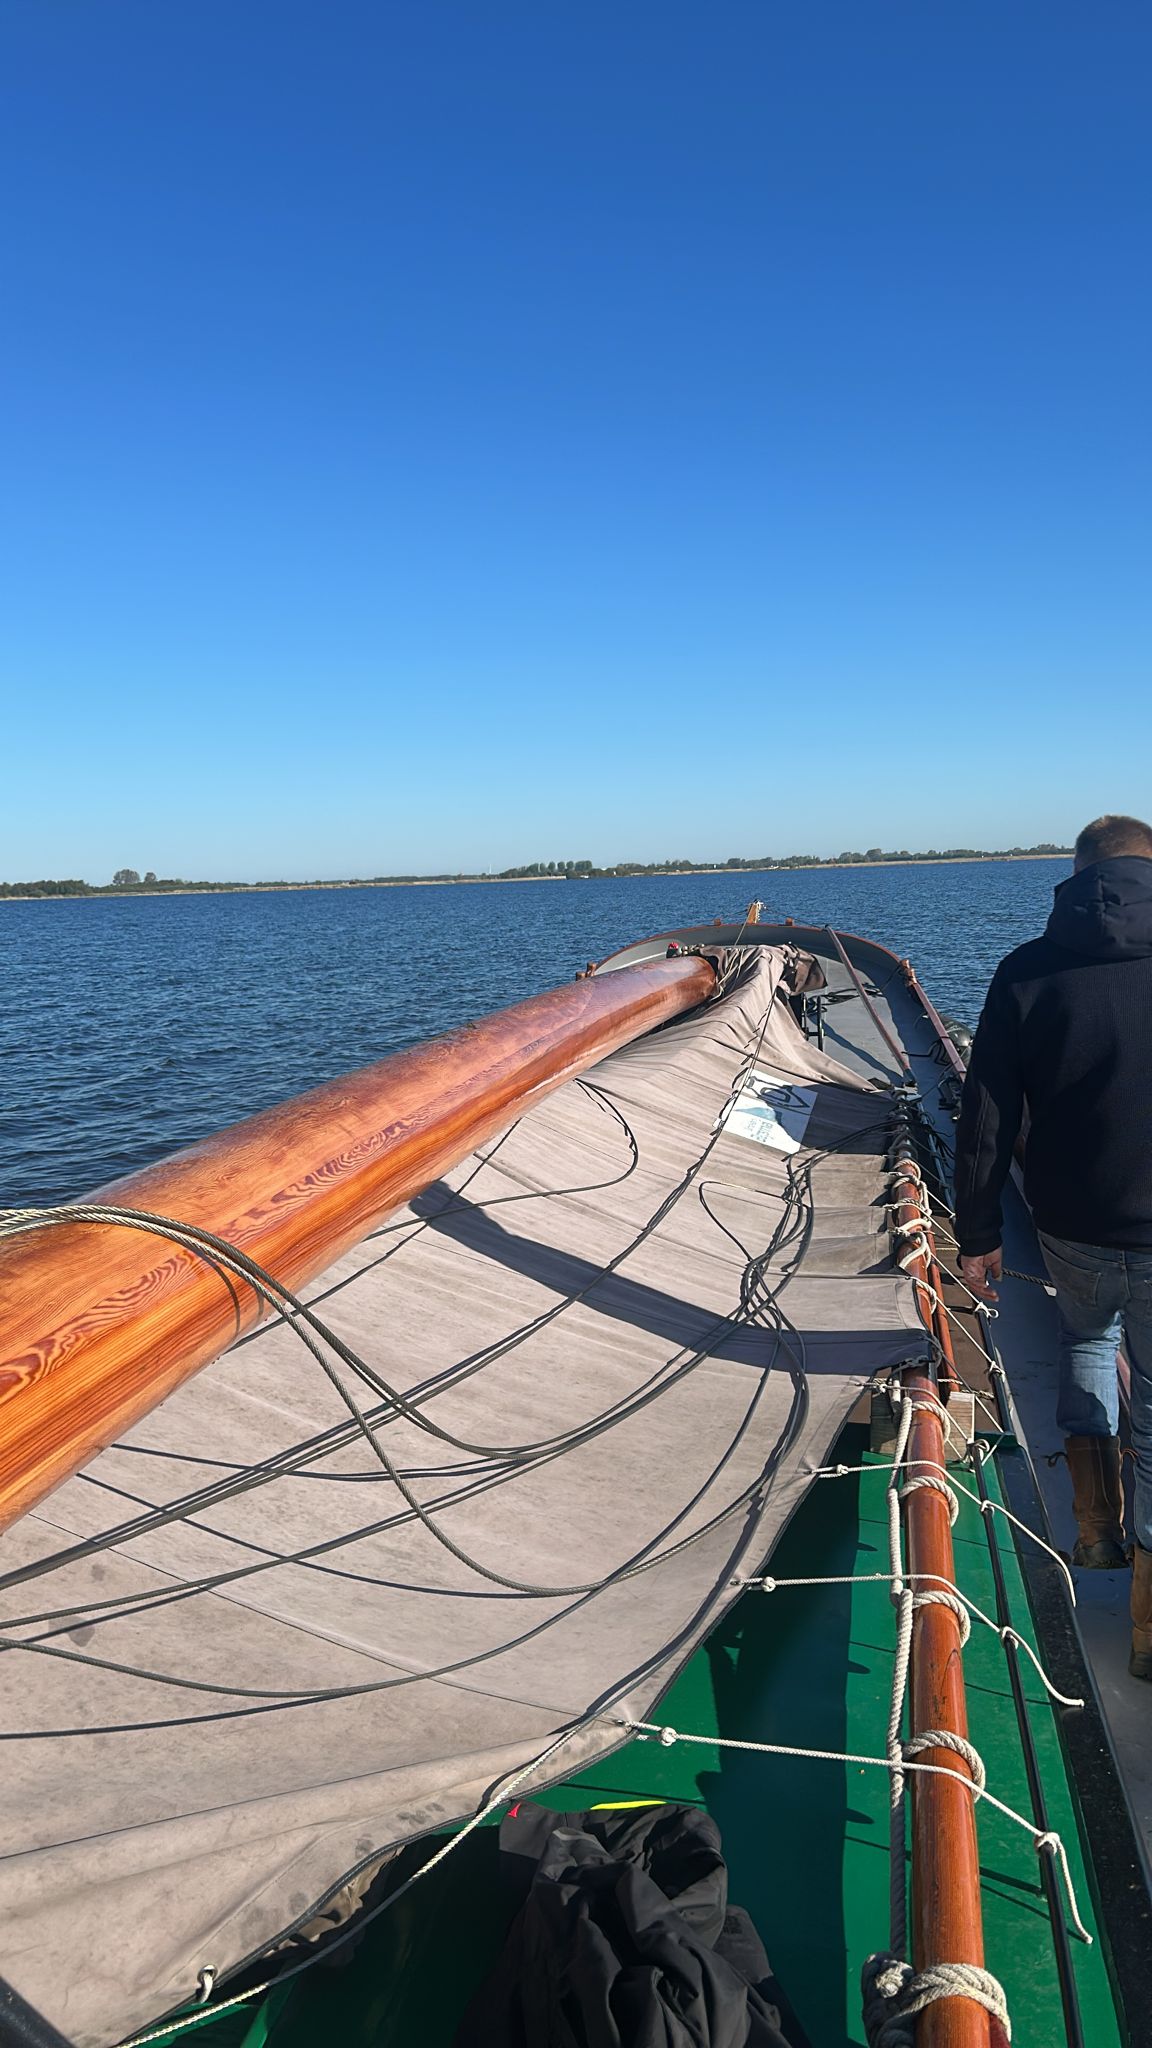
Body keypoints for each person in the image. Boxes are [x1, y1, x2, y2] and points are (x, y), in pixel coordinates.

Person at [953, 815, 1152, 1682]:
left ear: (1076, 875)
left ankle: (1097, 1527)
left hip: (1071, 1224)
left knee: (1087, 1342)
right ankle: (1148, 1629)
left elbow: (986, 1116)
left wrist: (979, 1234)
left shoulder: (1026, 970)